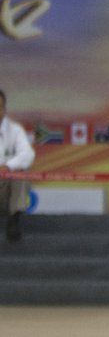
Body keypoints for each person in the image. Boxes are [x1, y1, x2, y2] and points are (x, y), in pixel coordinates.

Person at [0, 89, 35, 242]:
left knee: (20, 172)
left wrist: (7, 167)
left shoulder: (15, 130)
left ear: (4, 109)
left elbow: (27, 154)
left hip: (7, 190)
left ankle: (13, 223)